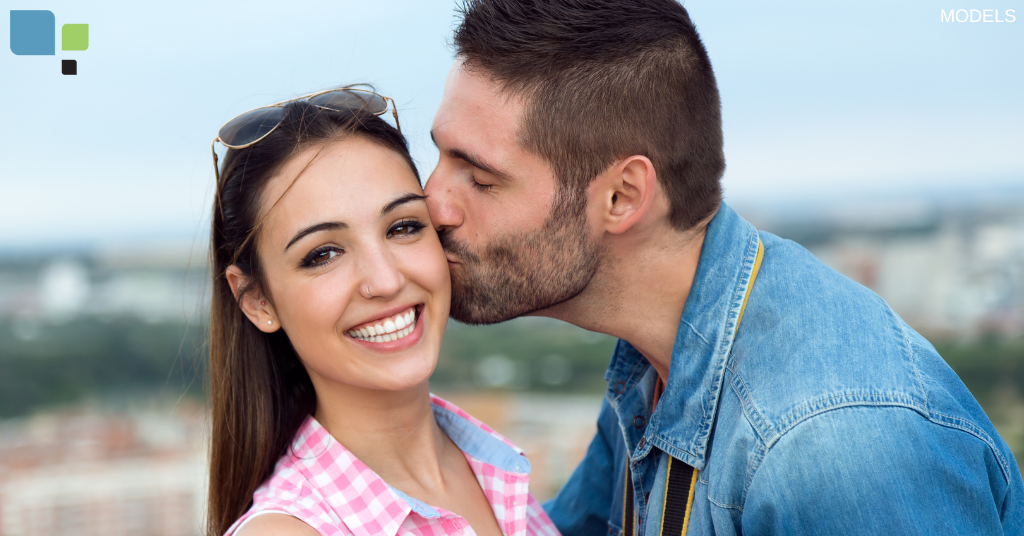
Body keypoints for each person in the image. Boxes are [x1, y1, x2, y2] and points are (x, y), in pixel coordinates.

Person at [424, 0, 1024, 534]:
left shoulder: (831, 453)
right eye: (439, 156)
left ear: (622, 197)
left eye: (478, 177)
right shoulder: (657, 351)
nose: (433, 203)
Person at [206, 87, 559, 536]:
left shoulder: (495, 469)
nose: (387, 280)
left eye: (404, 226)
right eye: (324, 254)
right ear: (258, 300)